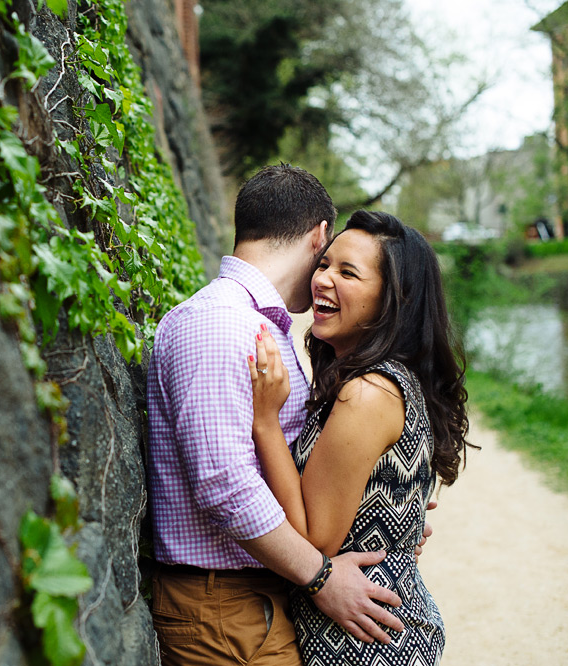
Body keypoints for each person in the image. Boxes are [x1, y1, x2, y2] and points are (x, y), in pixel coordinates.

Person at [147, 165, 410, 666]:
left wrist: (387, 505)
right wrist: (322, 577)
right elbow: (225, 483)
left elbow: (294, 459)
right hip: (224, 608)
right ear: (319, 237)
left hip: (254, 600)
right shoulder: (220, 325)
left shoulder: (257, 324)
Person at [247, 210, 473, 665]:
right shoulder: (375, 378)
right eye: (325, 264)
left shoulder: (370, 391)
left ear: (393, 299)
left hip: (367, 646)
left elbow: (315, 539)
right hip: (369, 634)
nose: (323, 280)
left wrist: (266, 423)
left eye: (348, 272)